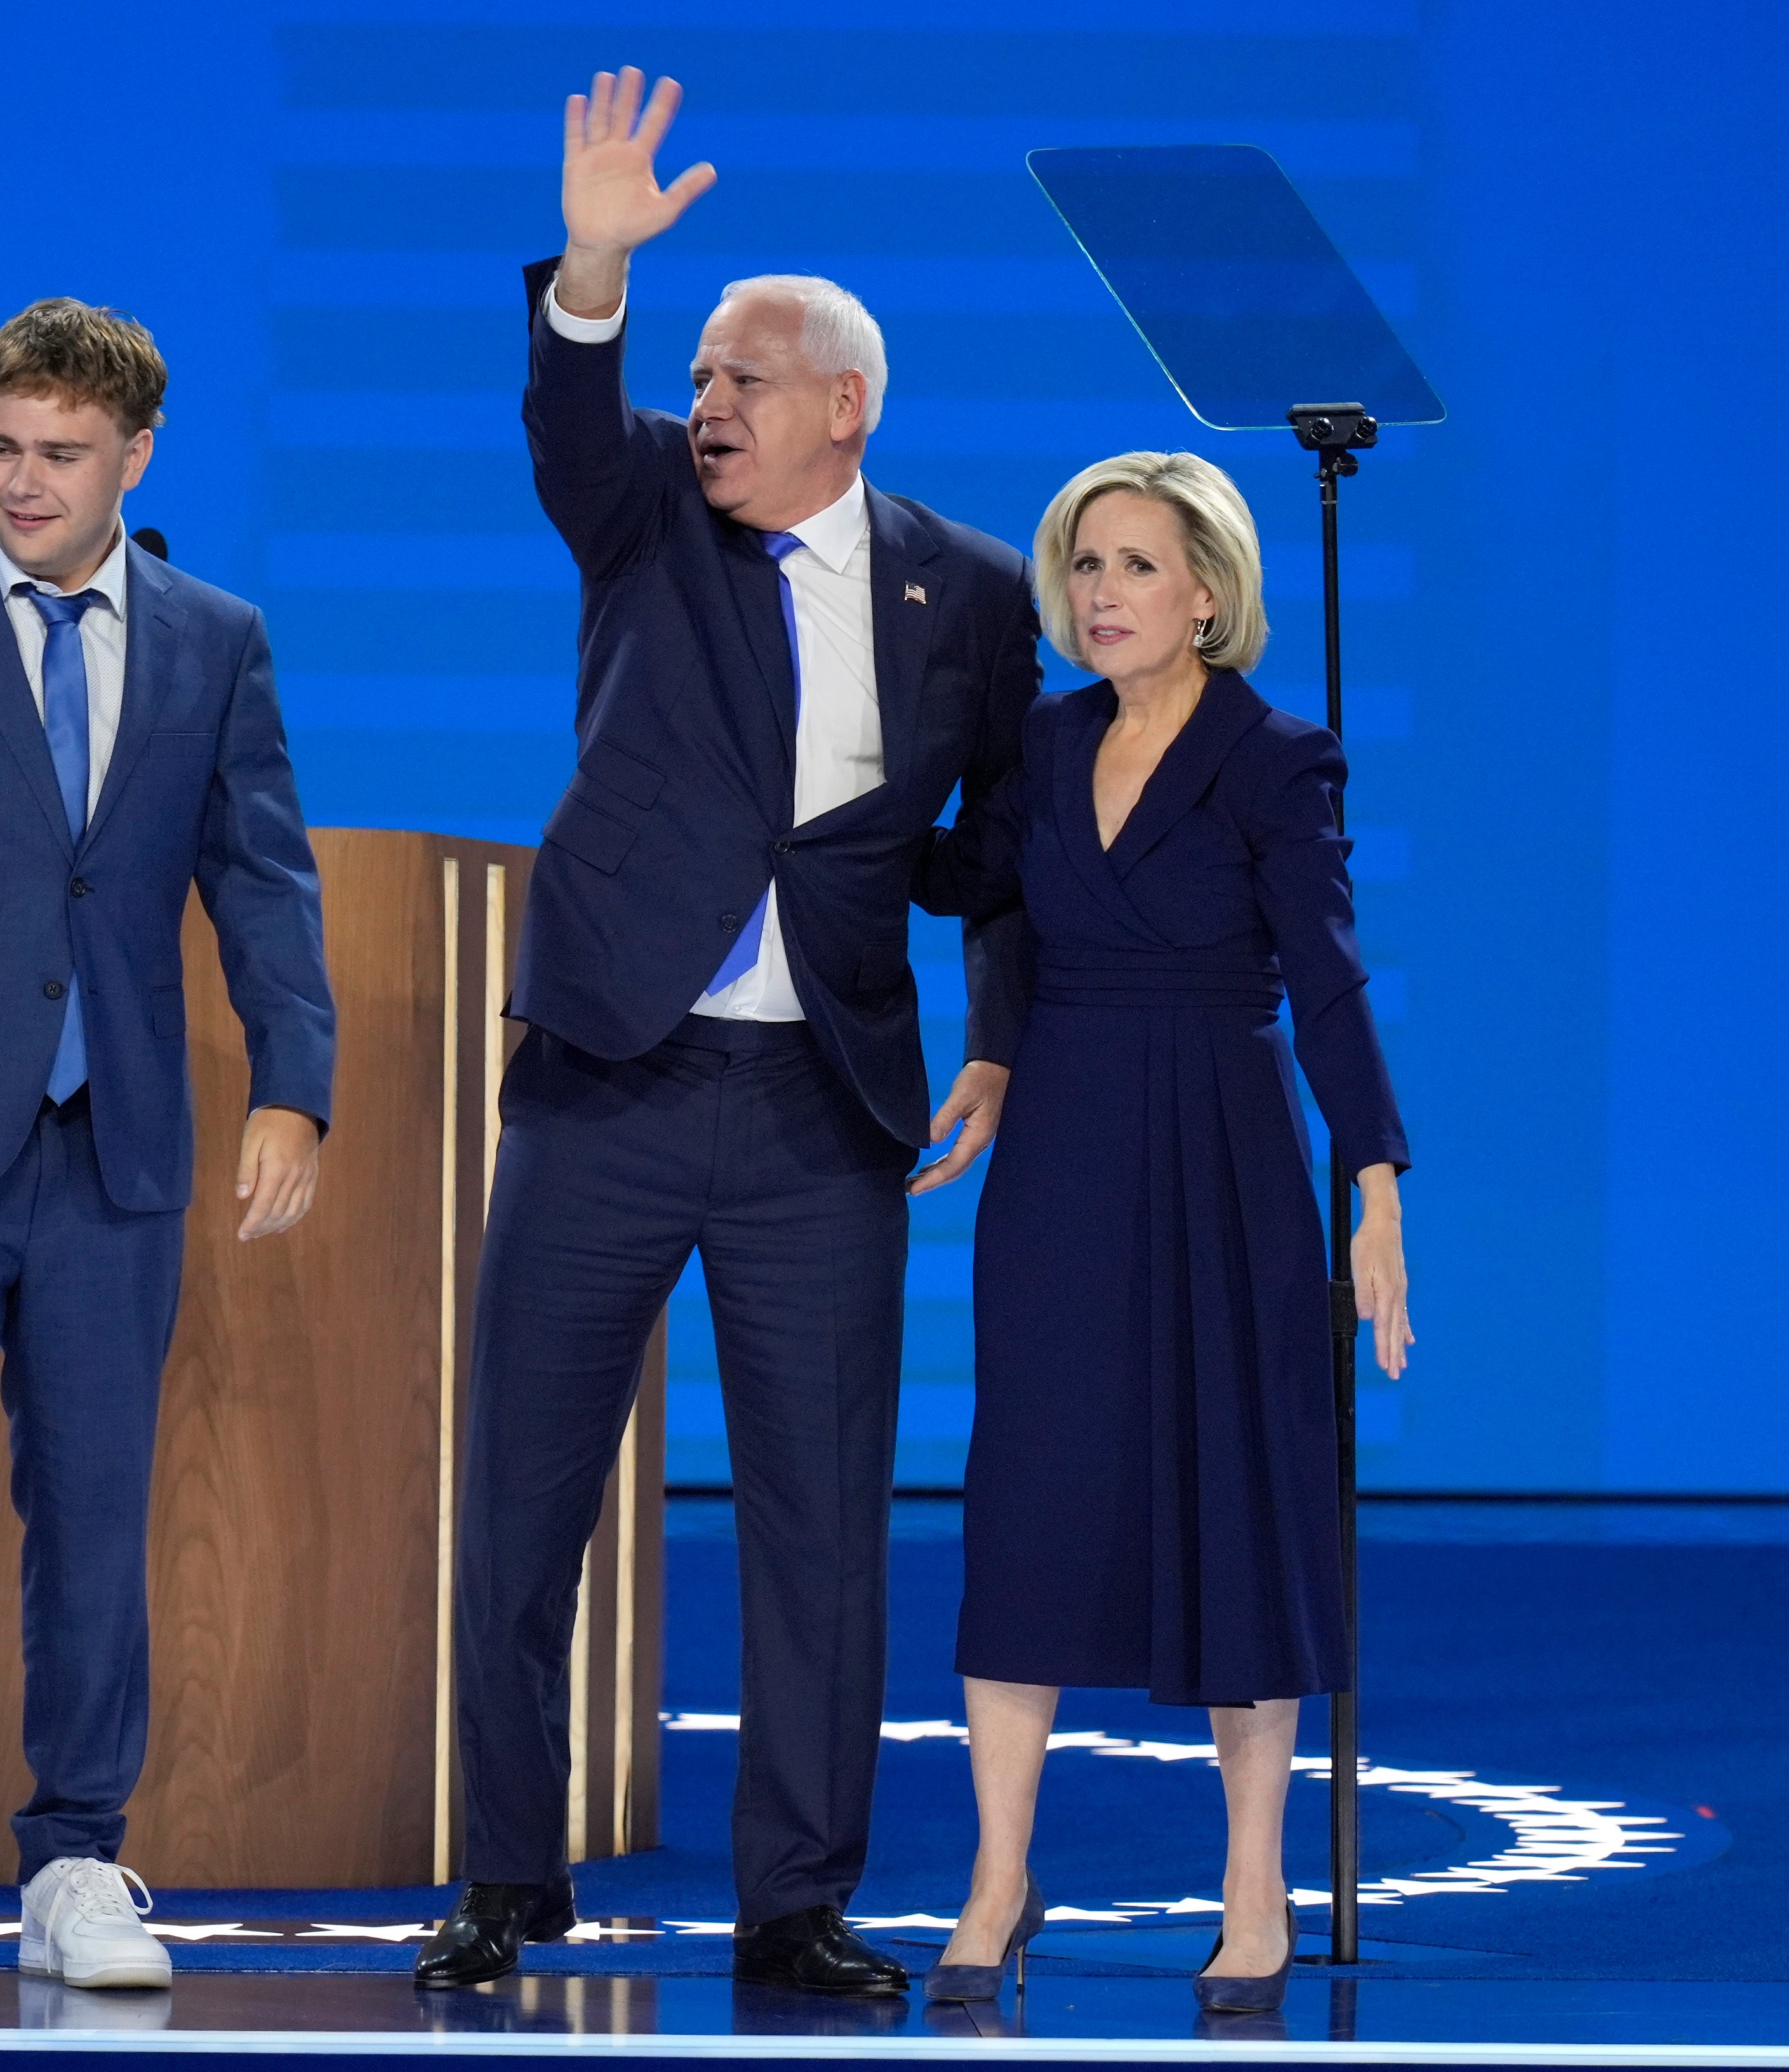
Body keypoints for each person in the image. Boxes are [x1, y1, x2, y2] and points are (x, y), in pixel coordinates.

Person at [413, 70, 1037, 1998]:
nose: (708, 405)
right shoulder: (644, 525)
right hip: (612, 1073)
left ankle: (797, 1899)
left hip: (819, 1107)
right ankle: (508, 1878)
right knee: (520, 1496)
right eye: (695, 372)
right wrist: (593, 268)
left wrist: (997, 1038)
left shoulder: (976, 595)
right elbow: (568, 417)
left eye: (741, 376)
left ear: (845, 402)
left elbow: (1002, 846)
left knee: (820, 1525)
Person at [0, 298, 335, 1994]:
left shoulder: (212, 637)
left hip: (119, 1153)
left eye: (63, 457)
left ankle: (79, 1857)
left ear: (136, 458)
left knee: (99, 1517)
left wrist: (294, 1084)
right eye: (2, 449)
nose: (25, 483)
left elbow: (262, 875)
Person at [914, 453, 1413, 2014]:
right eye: (1085, 568)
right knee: (1033, 1500)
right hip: (1062, 1152)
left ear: (1209, 592)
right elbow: (952, 881)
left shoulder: (1278, 756)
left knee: (1237, 1505)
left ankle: (1252, 1885)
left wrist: (1378, 1175)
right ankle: (1000, 1876)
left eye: (1135, 566)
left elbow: (1327, 973)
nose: (1101, 595)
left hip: (1226, 1150)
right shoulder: (1049, 748)